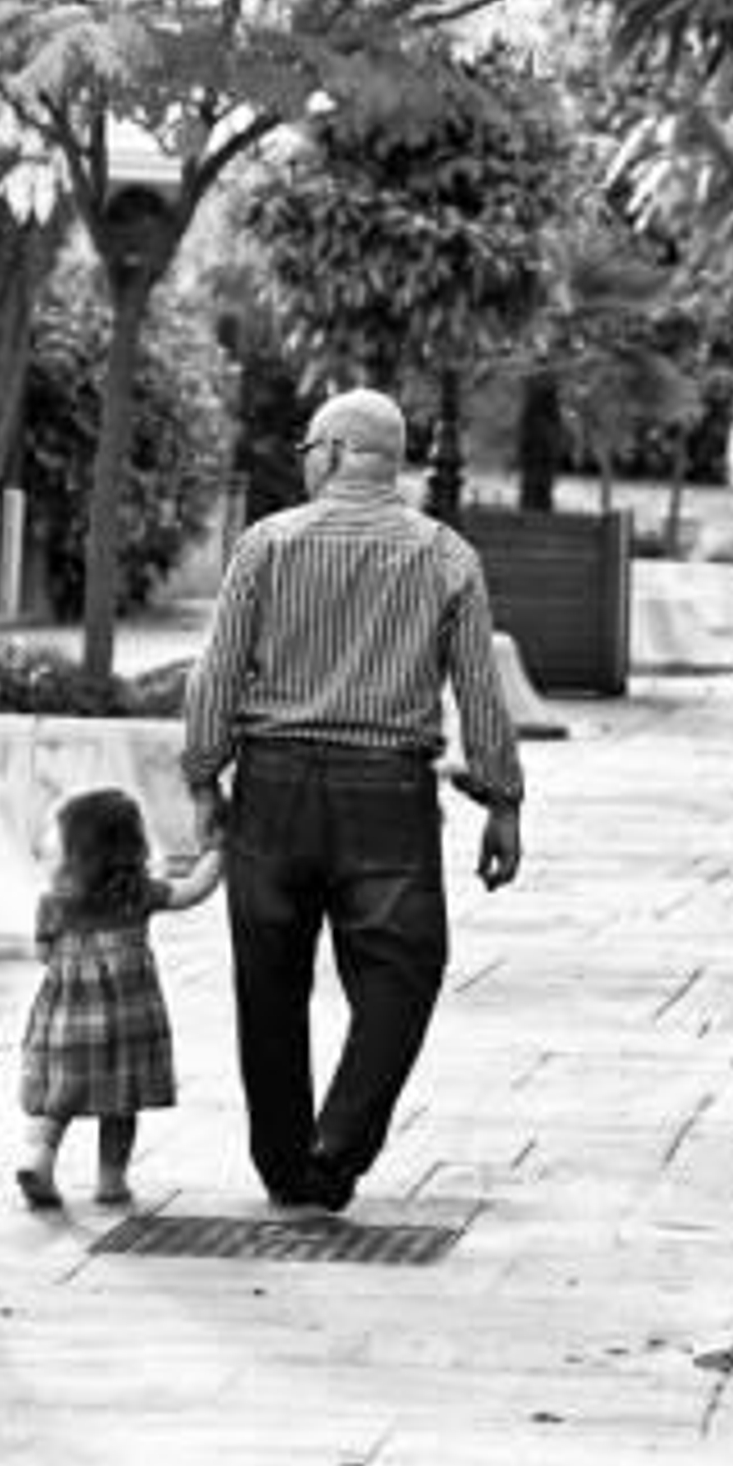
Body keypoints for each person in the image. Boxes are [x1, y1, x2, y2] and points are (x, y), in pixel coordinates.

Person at [181, 387, 524, 1214]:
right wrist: (503, 800)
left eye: (308, 448)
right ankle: (336, 1147)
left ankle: (282, 1164)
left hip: (274, 788)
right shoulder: (445, 556)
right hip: (387, 795)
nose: (304, 461)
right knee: (403, 972)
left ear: (333, 452)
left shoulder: (265, 545)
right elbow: (481, 690)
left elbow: (215, 675)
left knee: (269, 980)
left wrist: (204, 777)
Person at [16, 787, 224, 1209]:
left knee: (59, 1099)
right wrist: (220, 849)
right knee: (121, 1102)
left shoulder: (54, 901)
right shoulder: (138, 892)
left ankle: (39, 1160)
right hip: (129, 1023)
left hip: (68, 1024)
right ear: (133, 842)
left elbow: (43, 956)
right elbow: (193, 890)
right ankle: (111, 1181)